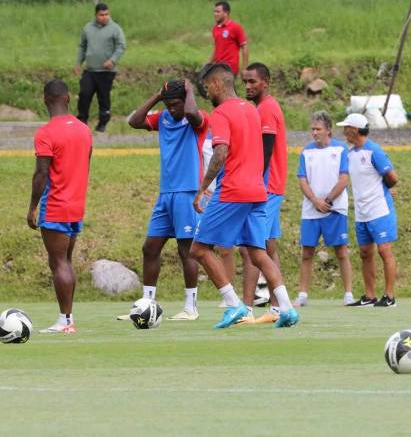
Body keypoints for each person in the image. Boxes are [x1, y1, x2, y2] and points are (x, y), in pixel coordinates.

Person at [189, 63, 298, 329]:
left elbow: (221, 152)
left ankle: (234, 304)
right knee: (258, 252)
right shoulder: (251, 109)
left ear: (216, 84)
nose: (207, 93)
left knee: (199, 249)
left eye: (206, 88)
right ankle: (287, 308)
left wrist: (203, 187)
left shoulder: (221, 113)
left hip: (233, 191)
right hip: (258, 191)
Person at [122, 79, 208, 321]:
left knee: (186, 250)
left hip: (187, 192)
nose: (172, 109)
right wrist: (157, 96)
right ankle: (147, 304)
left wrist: (190, 91)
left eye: (176, 104)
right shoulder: (163, 118)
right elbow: (134, 121)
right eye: (169, 104)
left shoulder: (197, 119)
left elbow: (191, 112)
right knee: (150, 248)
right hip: (166, 193)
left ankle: (191, 307)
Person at [27, 79, 93, 333]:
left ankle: (66, 321)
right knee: (66, 260)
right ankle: (67, 318)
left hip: (55, 205)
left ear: (45, 100)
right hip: (77, 205)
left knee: (58, 263)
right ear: (68, 98)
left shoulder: (46, 133)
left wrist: (33, 207)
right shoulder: (84, 130)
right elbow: (85, 163)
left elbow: (41, 174)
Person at [237, 62, 287, 324]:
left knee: (253, 248)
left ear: (265, 82)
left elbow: (266, 152)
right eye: (245, 81)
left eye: (253, 81)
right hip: (271, 187)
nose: (248, 86)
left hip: (266, 188)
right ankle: (278, 308)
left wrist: (252, 181)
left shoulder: (266, 109)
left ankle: (245, 309)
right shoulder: (265, 107)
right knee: (268, 247)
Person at [336, 113, 399, 308]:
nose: (344, 130)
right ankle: (369, 296)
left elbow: (392, 177)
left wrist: (386, 191)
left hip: (379, 210)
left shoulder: (374, 151)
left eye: (346, 127)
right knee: (365, 252)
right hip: (362, 212)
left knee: (384, 250)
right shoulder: (350, 153)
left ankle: (389, 296)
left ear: (354, 130)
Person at [295, 111, 354, 307]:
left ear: (328, 130)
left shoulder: (341, 149)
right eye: (312, 129)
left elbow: (344, 178)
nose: (314, 133)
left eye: (318, 129)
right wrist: (315, 200)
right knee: (307, 252)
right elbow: (302, 180)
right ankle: (302, 295)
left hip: (335, 209)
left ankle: (348, 294)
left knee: (341, 252)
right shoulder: (306, 151)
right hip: (311, 210)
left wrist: (327, 200)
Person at [74, 3, 126, 132]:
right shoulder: (88, 28)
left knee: (103, 97)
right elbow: (82, 46)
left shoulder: (115, 28)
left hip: (106, 71)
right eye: (101, 15)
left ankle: (102, 123)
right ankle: (82, 122)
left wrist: (112, 60)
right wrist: (78, 63)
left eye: (107, 14)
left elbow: (121, 46)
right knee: (84, 94)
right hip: (90, 70)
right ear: (96, 15)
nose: (104, 17)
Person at [208, 1, 248, 76]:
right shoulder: (215, 28)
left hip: (229, 69)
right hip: (218, 68)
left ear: (226, 13)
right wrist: (208, 63)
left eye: (218, 12)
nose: (215, 14)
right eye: (214, 11)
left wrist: (245, 68)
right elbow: (216, 48)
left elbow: (244, 47)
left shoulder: (235, 27)